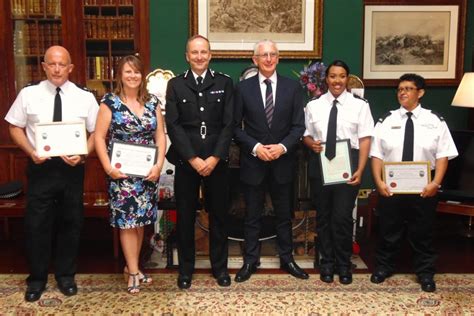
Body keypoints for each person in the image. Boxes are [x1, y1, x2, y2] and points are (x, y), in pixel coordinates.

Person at [4, 45, 99, 302]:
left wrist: (83, 154)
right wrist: (31, 150)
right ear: (44, 66)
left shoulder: (85, 97)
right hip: (40, 168)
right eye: (52, 64)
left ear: (71, 68)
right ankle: (36, 279)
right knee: (37, 225)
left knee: (71, 223)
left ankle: (66, 276)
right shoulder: (28, 94)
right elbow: (14, 127)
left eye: (62, 64)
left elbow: (96, 134)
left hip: (72, 170)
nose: (57, 69)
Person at [369, 73, 458, 292]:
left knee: (423, 232)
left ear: (420, 93)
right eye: (400, 89)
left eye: (408, 88)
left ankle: (425, 272)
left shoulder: (435, 121)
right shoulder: (386, 120)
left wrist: (435, 183)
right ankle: (384, 267)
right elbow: (376, 155)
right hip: (392, 188)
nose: (403, 92)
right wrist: (379, 182)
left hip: (424, 188)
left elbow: (443, 156)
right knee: (389, 230)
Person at [233, 39, 308, 282]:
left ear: (278, 58)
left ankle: (287, 259)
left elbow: (299, 127)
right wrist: (256, 147)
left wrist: (282, 147)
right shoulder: (242, 89)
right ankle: (250, 260)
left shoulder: (293, 87)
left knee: (284, 215)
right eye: (263, 55)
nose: (268, 59)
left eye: (273, 54)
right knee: (252, 215)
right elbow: (235, 127)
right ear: (254, 59)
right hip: (253, 162)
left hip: (283, 163)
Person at [165, 35, 234, 289]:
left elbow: (229, 124)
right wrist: (193, 158)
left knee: (219, 217)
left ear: (210, 54)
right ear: (187, 56)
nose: (199, 56)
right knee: (184, 217)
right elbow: (173, 124)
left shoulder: (224, 83)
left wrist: (214, 157)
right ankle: (185, 270)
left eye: (203, 52)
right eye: (194, 52)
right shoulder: (175, 85)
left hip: (217, 162)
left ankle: (220, 268)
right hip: (187, 162)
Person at [94, 55, 166, 294]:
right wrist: (109, 168)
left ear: (141, 75)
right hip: (121, 175)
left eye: (136, 72)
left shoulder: (152, 102)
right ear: (120, 75)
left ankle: (132, 266)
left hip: (147, 174)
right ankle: (134, 272)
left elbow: (160, 137)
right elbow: (98, 137)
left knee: (140, 223)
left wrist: (158, 166)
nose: (132, 76)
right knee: (126, 223)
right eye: (128, 72)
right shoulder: (110, 102)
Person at [303, 60, 374, 285]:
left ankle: (344, 265)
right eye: (333, 76)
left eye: (341, 76)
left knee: (342, 218)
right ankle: (326, 263)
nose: (337, 81)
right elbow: (305, 134)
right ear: (326, 79)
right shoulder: (314, 105)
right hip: (321, 165)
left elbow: (364, 140)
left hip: (348, 165)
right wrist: (309, 143)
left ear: (347, 79)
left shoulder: (360, 105)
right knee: (323, 217)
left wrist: (361, 170)